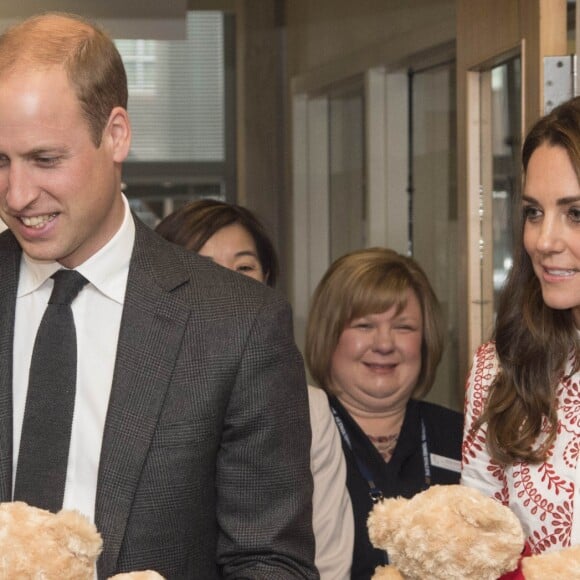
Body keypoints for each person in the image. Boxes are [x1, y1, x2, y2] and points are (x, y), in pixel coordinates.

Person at [0, 12, 317, 579]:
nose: (18, 195)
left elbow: (271, 563)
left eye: (46, 160)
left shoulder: (236, 326)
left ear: (116, 134)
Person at [155, 198, 355, 580]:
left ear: (267, 280)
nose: (228, 284)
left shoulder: (309, 406)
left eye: (243, 267)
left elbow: (326, 554)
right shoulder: (136, 391)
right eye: (203, 267)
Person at [462, 96, 580, 553]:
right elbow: (476, 554)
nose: (543, 240)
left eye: (576, 213)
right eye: (533, 212)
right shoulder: (501, 366)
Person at [304, 247, 463, 580]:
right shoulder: (301, 435)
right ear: (329, 335)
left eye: (403, 327)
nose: (385, 343)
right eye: (364, 325)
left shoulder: (463, 437)